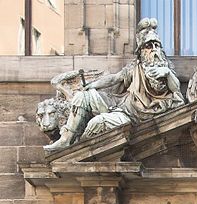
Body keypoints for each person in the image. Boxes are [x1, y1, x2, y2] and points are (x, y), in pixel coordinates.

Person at [44, 18, 184, 152]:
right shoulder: (134, 68)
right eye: (148, 46)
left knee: (97, 122)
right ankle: (66, 140)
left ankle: (79, 150)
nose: (153, 49)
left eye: (156, 45)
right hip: (122, 107)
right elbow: (114, 79)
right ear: (141, 51)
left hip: (131, 119)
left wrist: (166, 72)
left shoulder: (165, 68)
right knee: (82, 97)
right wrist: (94, 85)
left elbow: (176, 88)